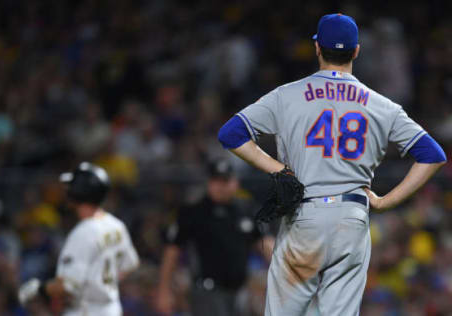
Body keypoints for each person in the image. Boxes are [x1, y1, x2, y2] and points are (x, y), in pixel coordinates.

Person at [218, 13, 447, 316]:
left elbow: (231, 134)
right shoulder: (381, 104)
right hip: (352, 218)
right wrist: (386, 200)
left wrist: (278, 169)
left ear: (317, 48)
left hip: (305, 215)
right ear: (356, 51)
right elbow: (433, 155)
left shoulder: (287, 95)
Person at [18, 162, 140, 315]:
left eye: (71, 186)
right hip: (111, 309)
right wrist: (101, 282)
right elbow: (130, 264)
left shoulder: (83, 233)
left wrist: (39, 289)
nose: (67, 190)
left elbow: (67, 287)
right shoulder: (116, 225)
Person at [156, 159, 274, 316]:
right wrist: (164, 291)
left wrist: (284, 273)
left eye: (225, 181)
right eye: (216, 180)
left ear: (235, 183)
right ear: (209, 182)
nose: (220, 186)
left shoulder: (246, 209)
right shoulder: (193, 212)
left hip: (240, 292)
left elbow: (266, 243)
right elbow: (171, 251)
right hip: (206, 292)